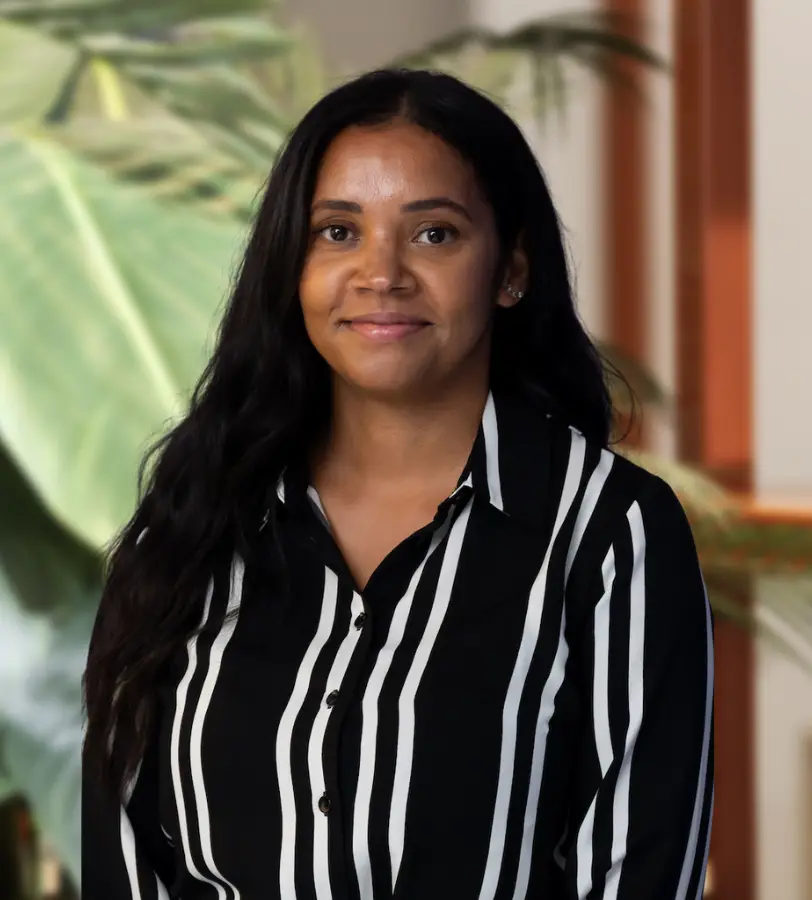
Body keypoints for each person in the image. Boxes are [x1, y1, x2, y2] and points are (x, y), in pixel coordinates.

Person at [81, 68, 714, 900]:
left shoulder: (609, 536)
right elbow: (123, 857)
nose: (381, 274)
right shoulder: (192, 528)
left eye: (435, 235)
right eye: (337, 232)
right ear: (291, 267)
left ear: (511, 269)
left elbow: (641, 873)